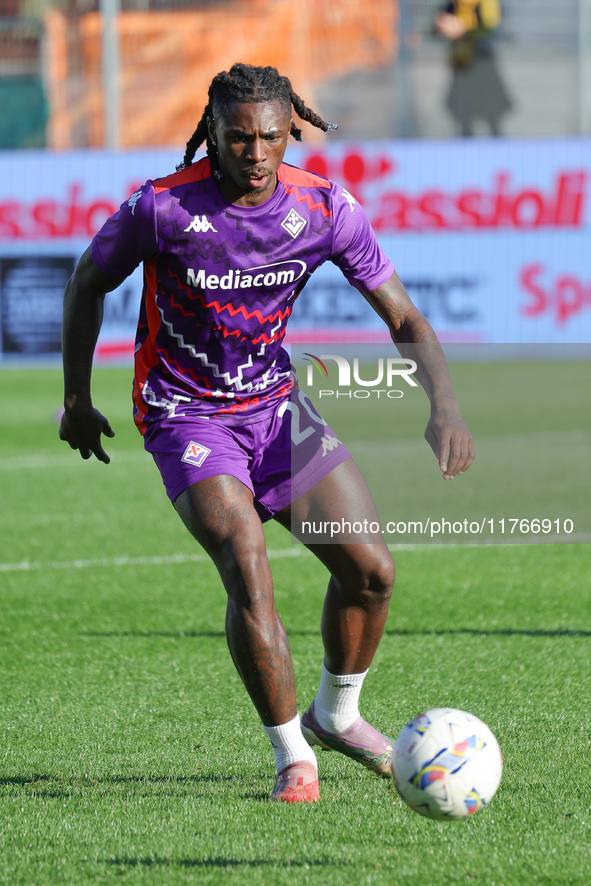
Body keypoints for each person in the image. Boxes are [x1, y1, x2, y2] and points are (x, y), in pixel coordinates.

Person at [60, 63, 474, 803]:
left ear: (293, 132)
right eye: (239, 137)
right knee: (245, 558)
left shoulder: (322, 207)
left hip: (274, 407)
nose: (256, 153)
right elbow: (87, 279)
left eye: (271, 137)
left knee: (371, 572)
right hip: (185, 412)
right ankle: (293, 757)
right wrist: (75, 398)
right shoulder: (159, 209)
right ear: (211, 135)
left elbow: (404, 317)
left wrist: (442, 407)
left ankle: (336, 718)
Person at [435, 0, 512, 137]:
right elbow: (438, 26)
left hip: (482, 64)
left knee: (491, 113)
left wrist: (462, 30)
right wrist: (441, 27)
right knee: (464, 115)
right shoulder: (454, 4)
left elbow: (491, 29)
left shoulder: (486, 3)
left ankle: (497, 149)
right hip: (462, 67)